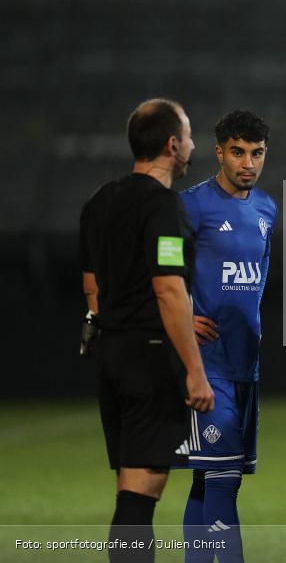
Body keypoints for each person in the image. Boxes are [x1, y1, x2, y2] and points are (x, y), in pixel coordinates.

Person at [79, 98, 214, 563]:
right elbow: (168, 289)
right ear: (172, 145)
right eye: (190, 135)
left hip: (113, 355)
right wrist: (194, 370)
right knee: (139, 499)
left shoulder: (100, 200)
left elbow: (92, 284)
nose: (194, 144)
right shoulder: (164, 207)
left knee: (129, 492)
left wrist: (109, 321)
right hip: (151, 359)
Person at [178, 111, 277, 562]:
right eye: (238, 152)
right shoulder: (191, 205)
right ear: (219, 152)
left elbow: (254, 284)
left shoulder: (265, 210)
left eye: (256, 153)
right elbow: (156, 270)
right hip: (207, 363)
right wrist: (181, 316)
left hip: (245, 363)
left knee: (210, 475)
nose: (248, 163)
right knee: (224, 478)